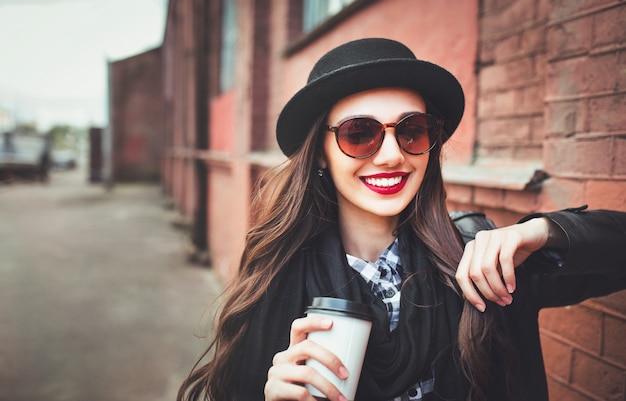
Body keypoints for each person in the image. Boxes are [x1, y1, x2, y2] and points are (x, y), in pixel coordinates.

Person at [177, 38, 626, 401]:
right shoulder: (276, 276)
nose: (392, 155)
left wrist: (542, 231)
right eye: (359, 133)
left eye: (411, 130)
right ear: (320, 154)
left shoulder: (481, 262)